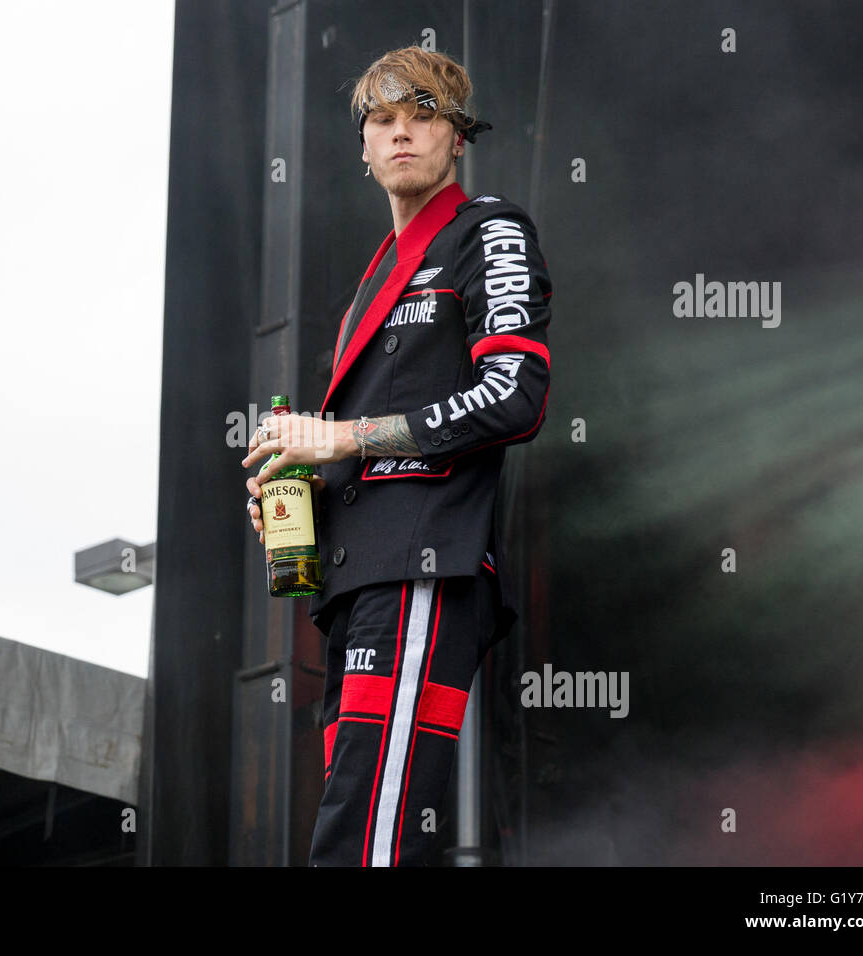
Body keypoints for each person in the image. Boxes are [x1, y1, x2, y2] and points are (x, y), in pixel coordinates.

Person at [240, 45, 553, 866]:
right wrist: (299, 488)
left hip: (425, 559)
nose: (403, 134)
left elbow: (513, 393)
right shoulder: (367, 288)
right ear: (365, 145)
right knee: (354, 810)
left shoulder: (490, 229)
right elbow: (356, 446)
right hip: (352, 577)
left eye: (424, 118)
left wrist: (345, 435)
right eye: (385, 121)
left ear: (459, 137)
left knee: (370, 824)